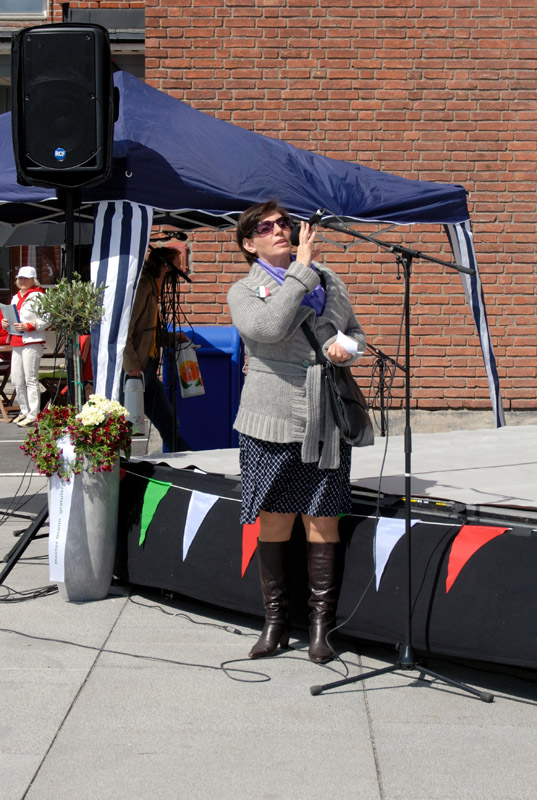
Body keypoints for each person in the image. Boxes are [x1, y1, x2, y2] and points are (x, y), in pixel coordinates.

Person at [227, 201, 366, 663]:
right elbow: (269, 328)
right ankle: (275, 623)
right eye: (265, 227)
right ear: (250, 244)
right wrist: (301, 272)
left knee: (323, 521)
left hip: (324, 417)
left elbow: (355, 332)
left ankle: (321, 628)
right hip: (271, 418)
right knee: (275, 521)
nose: (279, 230)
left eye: (284, 223)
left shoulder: (328, 279)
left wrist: (347, 349)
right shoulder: (244, 290)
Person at [123, 246, 190, 452]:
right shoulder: (144, 287)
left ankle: (185, 462)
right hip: (137, 370)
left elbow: (147, 332)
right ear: (165, 267)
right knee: (127, 425)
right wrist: (131, 364)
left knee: (168, 422)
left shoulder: (154, 289)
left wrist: (171, 338)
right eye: (177, 266)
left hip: (147, 368)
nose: (180, 272)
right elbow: (126, 328)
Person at [2, 266, 47, 427]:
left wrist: (29, 326)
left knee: (30, 378)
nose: (22, 281)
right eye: (20, 278)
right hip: (16, 340)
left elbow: (47, 318)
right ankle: (24, 410)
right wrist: (5, 322)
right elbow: (11, 317)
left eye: (26, 278)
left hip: (32, 341)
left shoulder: (39, 296)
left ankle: (33, 414)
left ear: (33, 280)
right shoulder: (15, 297)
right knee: (16, 378)